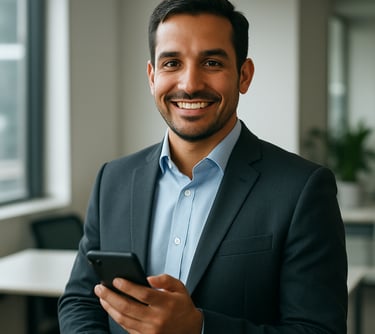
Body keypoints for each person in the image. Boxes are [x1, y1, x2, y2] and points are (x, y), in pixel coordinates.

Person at [58, 0, 348, 333]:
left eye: (211, 62)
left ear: (244, 75)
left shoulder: (302, 189)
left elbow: (318, 329)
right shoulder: (114, 179)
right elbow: (80, 301)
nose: (190, 83)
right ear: (152, 76)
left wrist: (199, 328)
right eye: (172, 63)